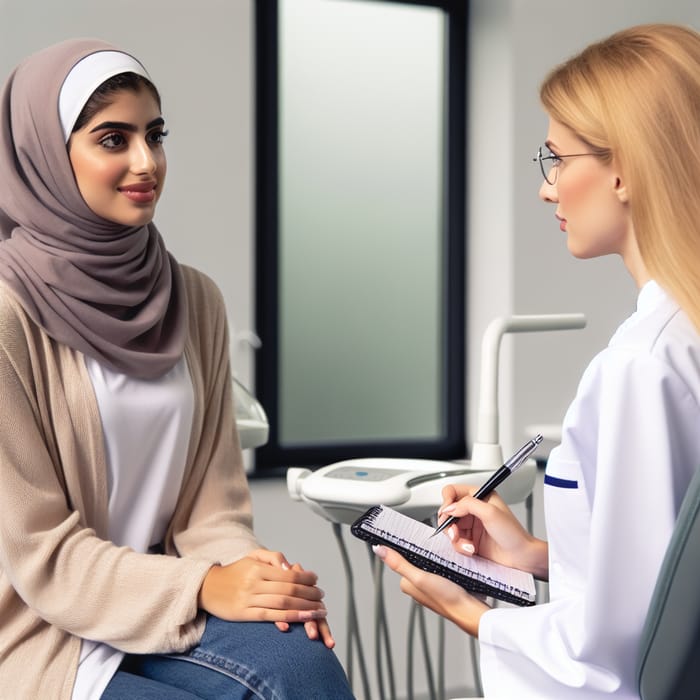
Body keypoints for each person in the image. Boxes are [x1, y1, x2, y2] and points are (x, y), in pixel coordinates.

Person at [0, 39, 354, 700]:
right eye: (113, 139)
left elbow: (210, 508)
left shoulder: (194, 299)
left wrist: (260, 574)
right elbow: (39, 553)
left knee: (306, 670)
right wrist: (204, 585)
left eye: (155, 136)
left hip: (169, 599)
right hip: (43, 629)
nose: (146, 162)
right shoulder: (8, 316)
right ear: (44, 154)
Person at [374, 22, 700, 699]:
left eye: (556, 159)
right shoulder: (679, 343)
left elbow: (618, 660)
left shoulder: (642, 368)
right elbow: (674, 583)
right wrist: (532, 558)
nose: (547, 189)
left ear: (625, 168)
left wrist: (468, 611)